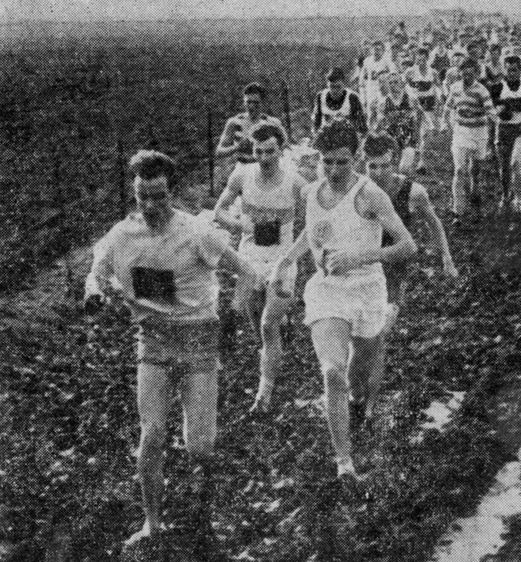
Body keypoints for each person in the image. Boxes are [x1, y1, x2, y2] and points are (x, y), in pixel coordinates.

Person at [85, 150, 260, 546]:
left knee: (200, 444)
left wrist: (232, 316)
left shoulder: (196, 233)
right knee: (152, 435)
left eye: (159, 196)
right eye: (141, 196)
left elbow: (246, 271)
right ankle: (152, 523)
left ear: (173, 193)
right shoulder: (122, 235)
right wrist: (94, 290)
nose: (150, 206)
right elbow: (96, 269)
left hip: (198, 335)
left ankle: (203, 510)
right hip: (154, 338)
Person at [269, 122, 416, 478]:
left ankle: (354, 399)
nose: (333, 170)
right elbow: (312, 229)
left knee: (357, 375)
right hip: (328, 290)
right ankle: (344, 462)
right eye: (327, 162)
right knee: (332, 371)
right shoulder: (311, 192)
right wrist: (286, 260)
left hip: (367, 290)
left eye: (342, 162)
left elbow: (407, 245)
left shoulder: (370, 195)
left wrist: (359, 257)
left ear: (356, 159)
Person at [213, 123, 306, 413]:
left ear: (281, 151)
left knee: (268, 324)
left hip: (281, 259)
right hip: (250, 259)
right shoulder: (242, 175)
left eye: (270, 152)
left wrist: (293, 255)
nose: (264, 158)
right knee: (259, 326)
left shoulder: (296, 183)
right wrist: (242, 224)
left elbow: (311, 224)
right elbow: (219, 211)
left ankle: (263, 395)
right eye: (258, 151)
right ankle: (275, 343)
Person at [362, 133, 458, 337]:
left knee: (384, 321)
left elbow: (434, 224)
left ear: (395, 162)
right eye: (372, 166)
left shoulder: (413, 193)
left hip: (395, 263)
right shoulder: (358, 191)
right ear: (364, 164)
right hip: (364, 261)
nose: (378, 172)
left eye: (385, 165)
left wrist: (447, 258)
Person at [444, 57, 497, 219]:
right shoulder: (455, 88)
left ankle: (475, 198)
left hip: (479, 133)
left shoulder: (482, 91)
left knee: (475, 171)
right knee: (460, 170)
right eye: (464, 73)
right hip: (461, 132)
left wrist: (496, 133)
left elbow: (491, 114)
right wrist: (450, 127)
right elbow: (447, 110)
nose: (467, 77)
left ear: (476, 73)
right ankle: (457, 210)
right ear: (460, 73)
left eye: (471, 74)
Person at [490, 55, 521, 212]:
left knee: (515, 162)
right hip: (503, 129)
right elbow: (490, 109)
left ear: (520, 70)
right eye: (509, 70)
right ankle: (505, 195)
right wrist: (500, 111)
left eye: (515, 70)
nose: (511, 73)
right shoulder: (498, 87)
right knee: (504, 167)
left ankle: (519, 199)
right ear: (504, 70)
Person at [216, 83, 288, 175]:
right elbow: (219, 152)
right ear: (244, 102)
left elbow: (284, 147)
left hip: (267, 169)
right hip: (243, 169)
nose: (251, 106)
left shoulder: (272, 122)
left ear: (263, 102)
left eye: (256, 103)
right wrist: (237, 147)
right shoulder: (234, 122)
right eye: (248, 102)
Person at [373, 72, 419, 176]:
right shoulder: (383, 103)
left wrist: (418, 138)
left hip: (408, 138)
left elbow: (417, 119)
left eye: (396, 82)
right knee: (390, 171)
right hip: (391, 139)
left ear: (401, 83)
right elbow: (379, 123)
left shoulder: (411, 100)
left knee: (404, 169)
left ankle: (405, 187)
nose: (393, 85)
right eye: (390, 83)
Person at [405, 47, 441, 173]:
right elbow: (404, 87)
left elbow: (438, 87)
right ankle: (412, 160)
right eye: (418, 59)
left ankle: (421, 162)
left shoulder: (433, 72)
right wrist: (411, 99)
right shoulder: (410, 72)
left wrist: (439, 101)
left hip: (428, 104)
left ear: (427, 59)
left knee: (425, 134)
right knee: (415, 133)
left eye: (423, 59)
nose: (421, 62)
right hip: (415, 105)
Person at [312, 68, 367, 136]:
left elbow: (362, 127)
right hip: (327, 138)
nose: (335, 91)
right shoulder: (320, 96)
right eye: (332, 87)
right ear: (327, 85)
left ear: (344, 85)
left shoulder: (352, 97)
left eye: (338, 87)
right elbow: (316, 124)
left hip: (347, 138)